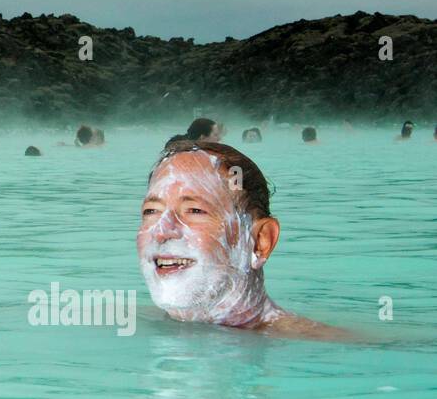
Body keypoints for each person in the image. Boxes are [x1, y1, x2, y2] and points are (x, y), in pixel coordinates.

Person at [137, 140, 348, 340]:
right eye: (151, 211)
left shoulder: (328, 348)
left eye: (194, 210)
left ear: (260, 242)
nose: (161, 231)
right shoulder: (123, 320)